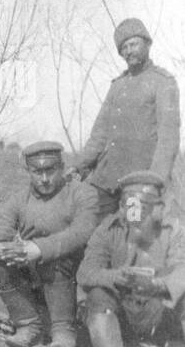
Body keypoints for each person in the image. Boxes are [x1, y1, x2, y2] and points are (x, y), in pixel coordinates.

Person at [77, 171, 185, 347]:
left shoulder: (173, 229)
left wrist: (157, 285)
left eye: (145, 206)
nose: (136, 213)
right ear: (123, 205)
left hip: (157, 312)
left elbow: (182, 268)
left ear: (158, 206)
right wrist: (117, 277)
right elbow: (85, 272)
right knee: (97, 293)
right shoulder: (109, 228)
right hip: (120, 313)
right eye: (130, 205)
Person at [0, 141, 99, 347]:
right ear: (28, 171)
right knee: (2, 263)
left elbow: (83, 231)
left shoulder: (82, 193)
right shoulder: (20, 199)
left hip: (73, 273)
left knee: (55, 259)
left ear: (62, 167)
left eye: (50, 170)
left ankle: (63, 330)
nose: (44, 179)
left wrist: (38, 249)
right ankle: (28, 324)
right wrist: (0, 249)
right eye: (37, 172)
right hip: (34, 272)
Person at [70, 18, 180, 218]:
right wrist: (79, 166)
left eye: (133, 44)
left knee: (133, 236)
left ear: (147, 44)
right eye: (123, 48)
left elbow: (168, 140)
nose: (129, 51)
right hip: (106, 181)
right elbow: (99, 135)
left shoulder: (163, 82)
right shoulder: (117, 86)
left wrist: (152, 182)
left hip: (139, 183)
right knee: (93, 233)